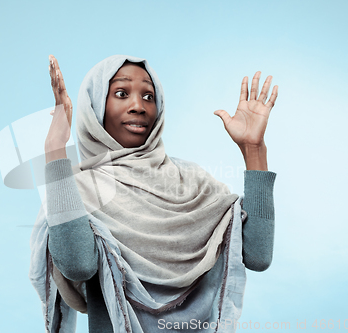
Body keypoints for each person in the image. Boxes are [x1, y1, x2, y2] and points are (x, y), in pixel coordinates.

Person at [30, 54, 278, 333]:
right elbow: (78, 265)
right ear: (95, 106)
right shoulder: (77, 187)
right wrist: (54, 149)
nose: (138, 106)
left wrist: (254, 150)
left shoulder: (192, 180)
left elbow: (257, 255)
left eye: (149, 96)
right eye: (121, 93)